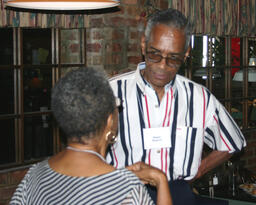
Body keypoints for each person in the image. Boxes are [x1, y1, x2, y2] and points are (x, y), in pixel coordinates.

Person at [106, 8, 246, 205]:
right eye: (155, 55)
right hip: (122, 195)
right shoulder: (111, 92)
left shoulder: (198, 97)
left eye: (174, 58)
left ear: (186, 53)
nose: (163, 66)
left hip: (177, 194)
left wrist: (199, 170)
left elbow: (233, 141)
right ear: (144, 45)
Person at [10, 67, 172, 205]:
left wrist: (116, 175)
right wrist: (160, 180)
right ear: (109, 121)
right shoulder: (128, 191)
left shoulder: (34, 176)